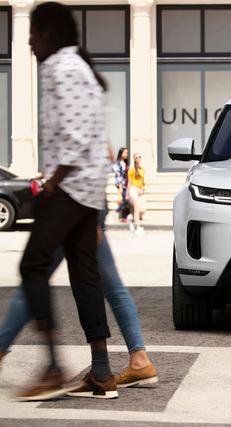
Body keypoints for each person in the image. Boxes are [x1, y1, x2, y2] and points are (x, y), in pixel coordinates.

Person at [16, 2, 116, 400]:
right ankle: (102, 372)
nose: (29, 43)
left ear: (47, 34)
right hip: (87, 190)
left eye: (33, 35)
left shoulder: (62, 67)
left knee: (32, 265)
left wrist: (52, 184)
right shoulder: (78, 67)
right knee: (85, 275)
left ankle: (54, 369)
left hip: (71, 188)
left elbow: (75, 138)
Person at [0, 208, 159, 388]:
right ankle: (138, 360)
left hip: (68, 214)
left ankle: (58, 369)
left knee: (33, 279)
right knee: (113, 288)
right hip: (86, 215)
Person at [127, 153, 146, 235]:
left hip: (140, 190)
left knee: (143, 210)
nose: (138, 158)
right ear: (134, 159)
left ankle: (131, 220)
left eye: (139, 157)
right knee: (137, 208)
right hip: (133, 189)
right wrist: (127, 194)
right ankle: (138, 227)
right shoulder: (131, 170)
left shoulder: (142, 169)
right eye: (136, 157)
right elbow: (129, 182)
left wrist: (143, 189)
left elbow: (143, 181)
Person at [114, 147, 129, 223]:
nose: (127, 154)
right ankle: (117, 213)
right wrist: (120, 187)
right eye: (125, 153)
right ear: (121, 153)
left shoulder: (125, 163)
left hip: (126, 184)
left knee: (125, 200)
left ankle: (122, 217)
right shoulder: (117, 163)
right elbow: (119, 176)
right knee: (125, 200)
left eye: (127, 153)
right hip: (121, 184)